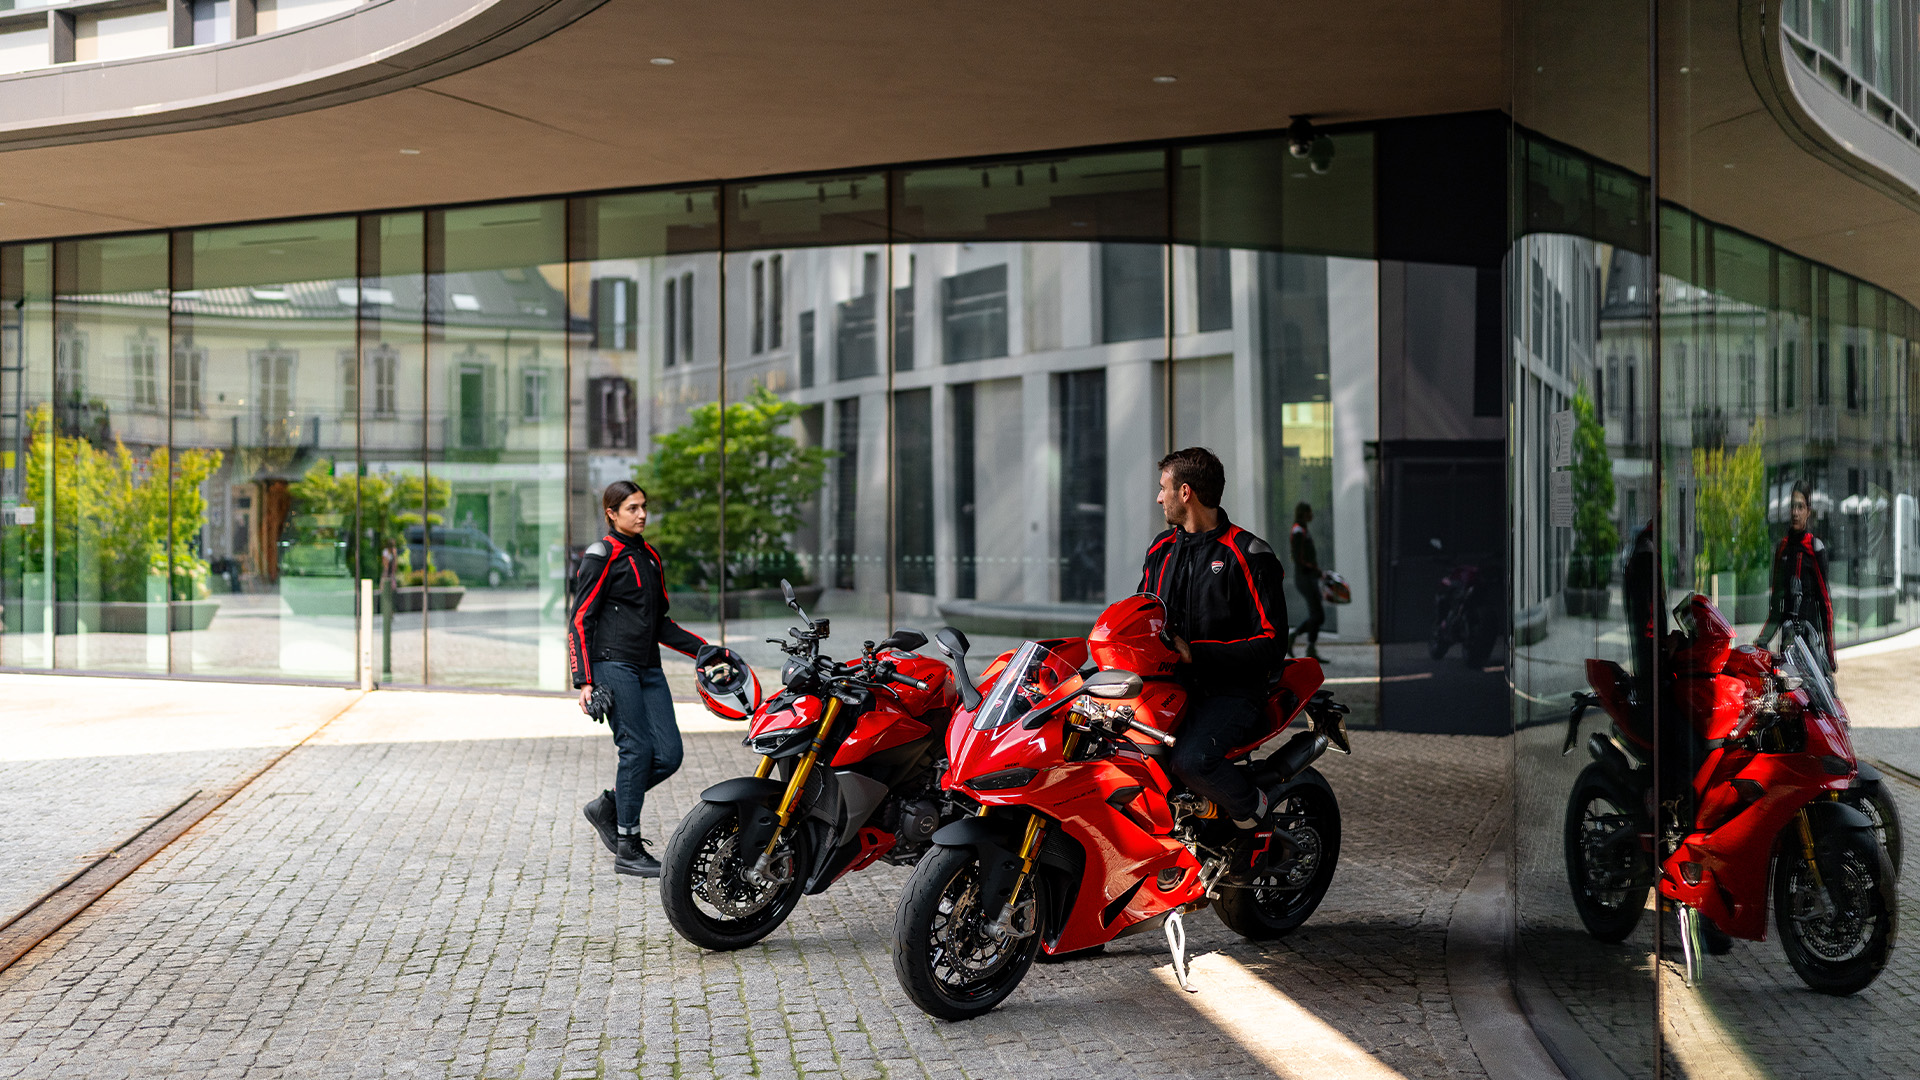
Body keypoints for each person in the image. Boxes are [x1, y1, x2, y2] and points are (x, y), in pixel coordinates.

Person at [569, 479, 717, 877]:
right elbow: (580, 619)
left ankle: (607, 806)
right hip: (613, 665)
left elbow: (660, 623)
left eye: (643, 506)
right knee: (636, 750)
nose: (642, 514)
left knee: (668, 755)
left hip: (649, 667)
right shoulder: (602, 555)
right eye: (632, 508)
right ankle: (628, 846)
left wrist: (705, 650)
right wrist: (584, 680)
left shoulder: (650, 556)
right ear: (611, 513)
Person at [1139, 447, 1290, 829]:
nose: (1158, 497)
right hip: (1171, 687)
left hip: (1233, 692)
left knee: (1191, 762)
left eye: (1163, 488)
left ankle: (1257, 816)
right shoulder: (1160, 549)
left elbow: (1272, 644)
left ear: (1185, 492)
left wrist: (1197, 654)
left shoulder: (1249, 553)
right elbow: (1142, 615)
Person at [1755, 481, 1836, 670]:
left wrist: (1829, 656)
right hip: (1787, 648)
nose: (1795, 513)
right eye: (1792, 506)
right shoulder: (1782, 548)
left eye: (1800, 507)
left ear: (1808, 511)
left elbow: (1825, 605)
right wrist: (1762, 640)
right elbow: (1776, 609)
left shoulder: (1815, 548)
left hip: (1811, 649)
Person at [1287, 502, 1326, 660]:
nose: (1312, 515)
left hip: (1308, 577)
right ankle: (1295, 636)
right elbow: (1298, 558)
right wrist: (1314, 570)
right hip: (1305, 578)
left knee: (1317, 615)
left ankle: (1308, 645)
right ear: (1304, 513)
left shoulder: (1302, 530)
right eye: (1310, 512)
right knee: (1317, 615)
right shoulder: (1298, 531)